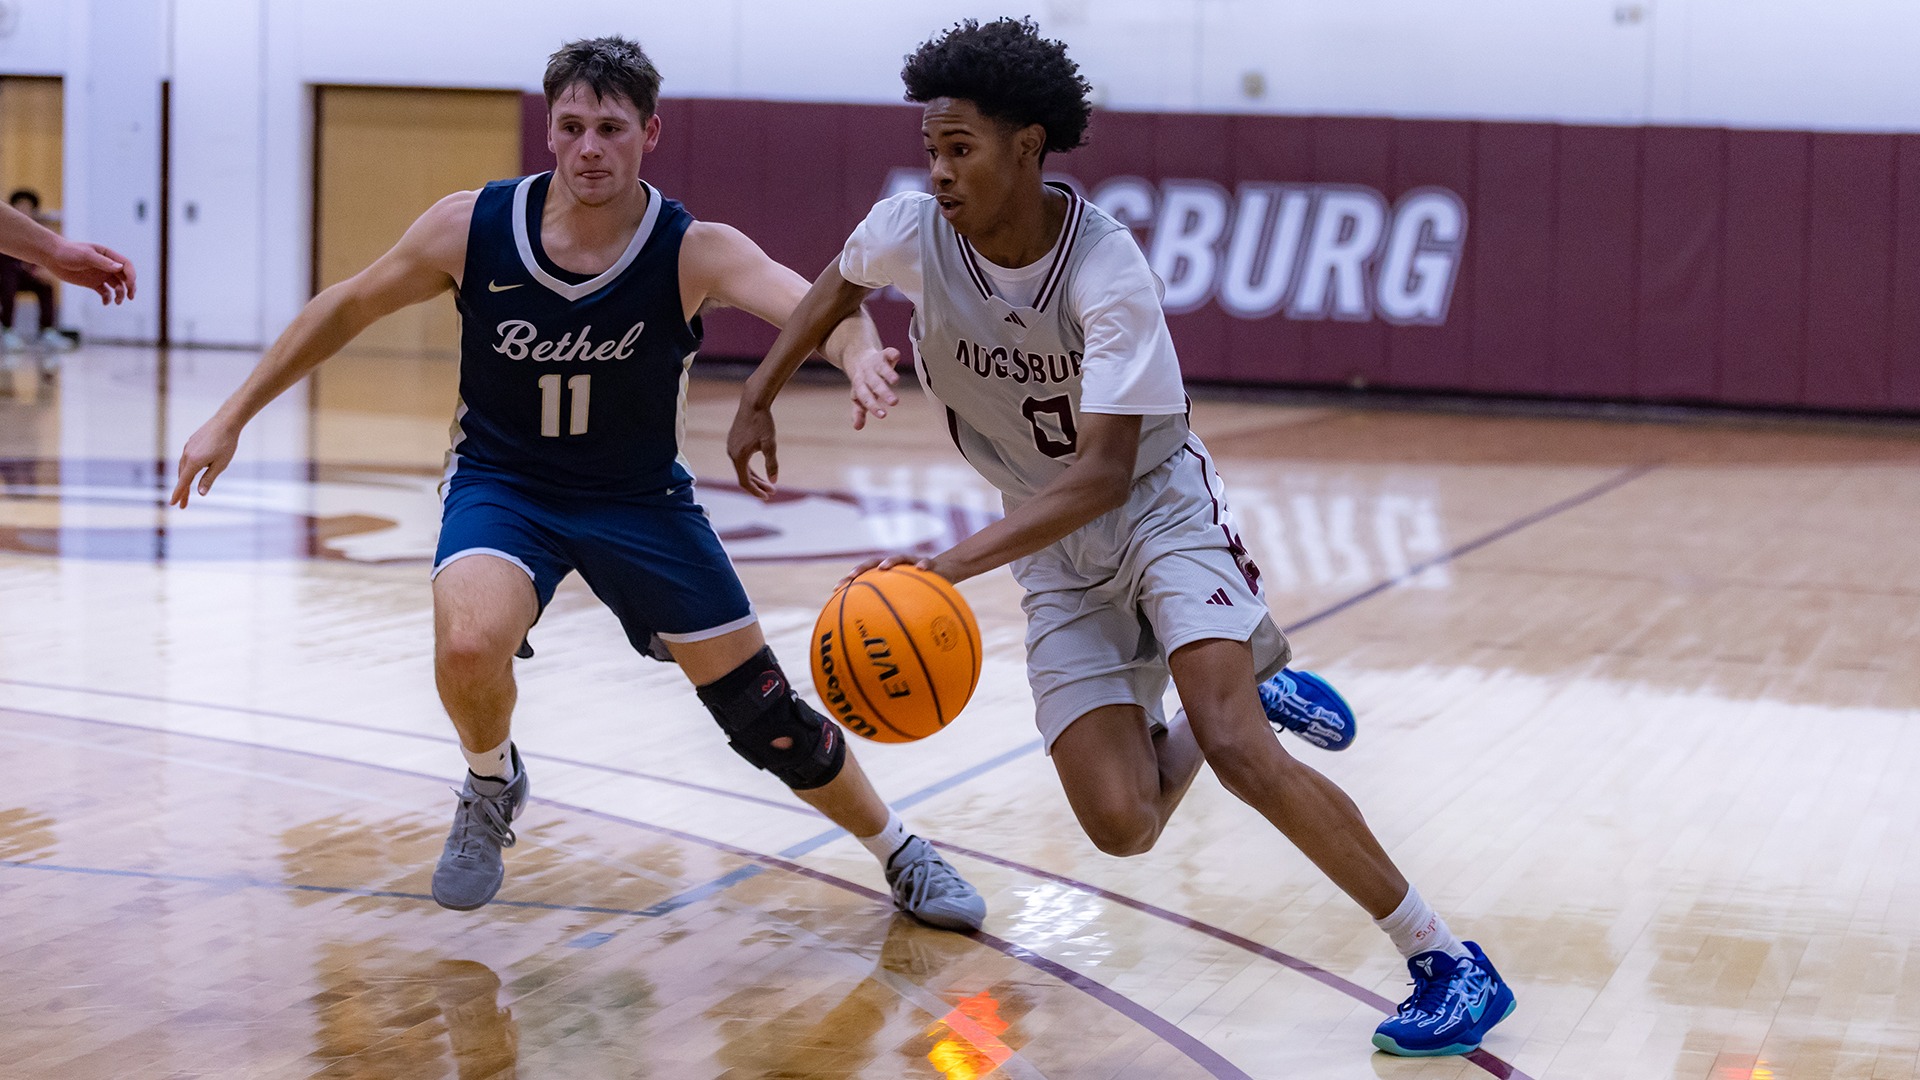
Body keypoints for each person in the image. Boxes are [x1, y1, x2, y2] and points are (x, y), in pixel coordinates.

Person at [727, 17, 1513, 1058]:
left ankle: (1444, 960)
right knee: (1122, 824)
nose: (940, 171)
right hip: (1050, 546)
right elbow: (842, 277)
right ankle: (1222, 690)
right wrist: (757, 394)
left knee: (1241, 752)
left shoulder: (1107, 272)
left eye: (961, 149)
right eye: (931, 150)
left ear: (1028, 146)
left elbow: (1100, 473)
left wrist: (944, 571)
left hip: (1154, 509)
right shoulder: (913, 228)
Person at [171, 36, 985, 933]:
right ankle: (491, 783)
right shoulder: (470, 226)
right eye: (571, 127)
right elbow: (347, 305)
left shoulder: (691, 249)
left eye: (610, 127)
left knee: (766, 719)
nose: (589, 147)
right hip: (504, 483)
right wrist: (232, 413)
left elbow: (816, 304)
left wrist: (861, 351)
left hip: (639, 499)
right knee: (470, 643)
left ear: (650, 133)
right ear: (548, 132)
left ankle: (901, 851)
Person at [0, 189, 135, 356]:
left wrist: (54, 253)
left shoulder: (37, 232)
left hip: (24, 277)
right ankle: (6, 330)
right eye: (20, 207)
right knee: (8, 279)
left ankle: (47, 331)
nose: (23, 210)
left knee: (45, 285)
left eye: (27, 207)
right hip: (5, 278)